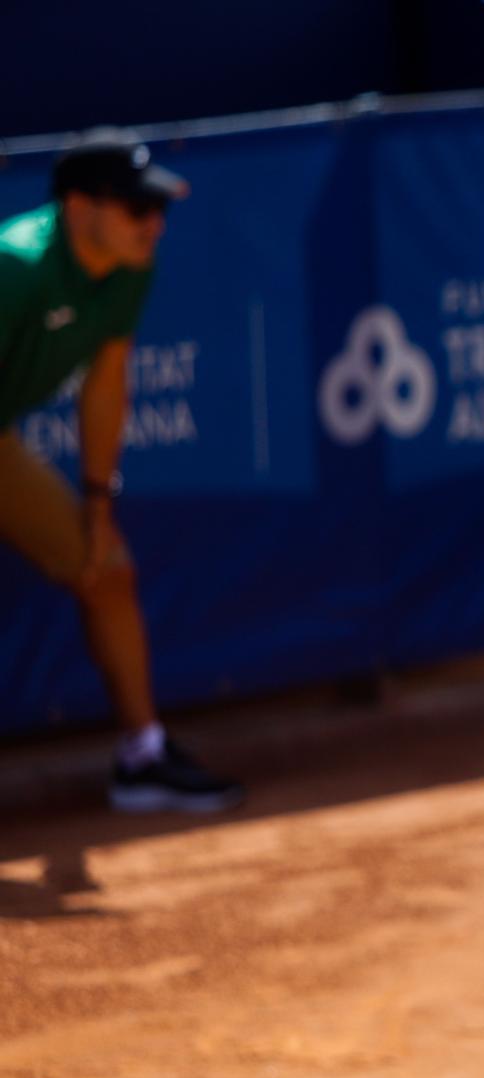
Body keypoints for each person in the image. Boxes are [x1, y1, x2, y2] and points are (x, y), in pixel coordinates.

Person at [0, 129, 243, 813]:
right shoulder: (13, 268)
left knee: (105, 567)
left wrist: (97, 504)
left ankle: (143, 758)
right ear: (79, 208)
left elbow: (106, 384)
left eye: (157, 208)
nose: (153, 224)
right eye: (137, 209)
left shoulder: (130, 264)